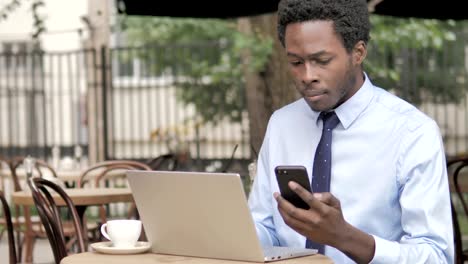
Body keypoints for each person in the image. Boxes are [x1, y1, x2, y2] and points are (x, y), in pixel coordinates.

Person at [247, 0, 454, 263]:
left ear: (358, 52)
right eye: (296, 61)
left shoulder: (413, 133)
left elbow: (436, 256)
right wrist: (223, 231)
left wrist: (343, 236)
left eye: (321, 60)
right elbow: (264, 226)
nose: (306, 75)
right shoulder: (281, 123)